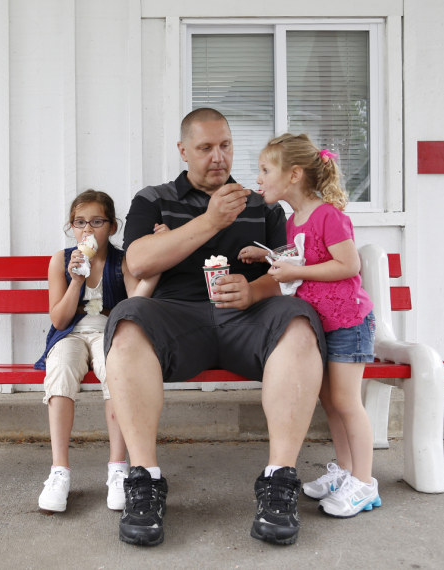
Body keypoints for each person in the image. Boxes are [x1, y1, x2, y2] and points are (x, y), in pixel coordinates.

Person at [104, 108, 327, 547]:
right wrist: (210, 221)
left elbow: (290, 269)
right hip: (178, 317)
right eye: (205, 148)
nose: (218, 157)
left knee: (300, 321)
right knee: (127, 323)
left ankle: (278, 480)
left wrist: (255, 291)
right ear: (183, 150)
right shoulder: (154, 198)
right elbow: (137, 262)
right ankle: (145, 481)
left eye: (225, 145)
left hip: (247, 317)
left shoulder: (261, 201)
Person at [241, 133, 380, 518]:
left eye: (266, 170)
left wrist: (295, 268)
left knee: (348, 403)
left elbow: (348, 265)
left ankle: (365, 483)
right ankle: (346, 471)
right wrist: (267, 255)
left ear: (295, 174)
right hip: (324, 324)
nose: (260, 178)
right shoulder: (294, 220)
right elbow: (301, 259)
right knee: (330, 402)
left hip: (349, 322)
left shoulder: (328, 216)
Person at [34, 189, 159, 513]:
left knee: (117, 375)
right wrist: (76, 280)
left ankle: (118, 468)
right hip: (70, 333)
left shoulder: (122, 261)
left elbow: (135, 303)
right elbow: (59, 318)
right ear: (71, 227)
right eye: (79, 223)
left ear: (112, 227)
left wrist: (156, 268)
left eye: (96, 222)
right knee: (60, 370)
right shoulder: (60, 261)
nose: (87, 230)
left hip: (111, 334)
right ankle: (59, 471)